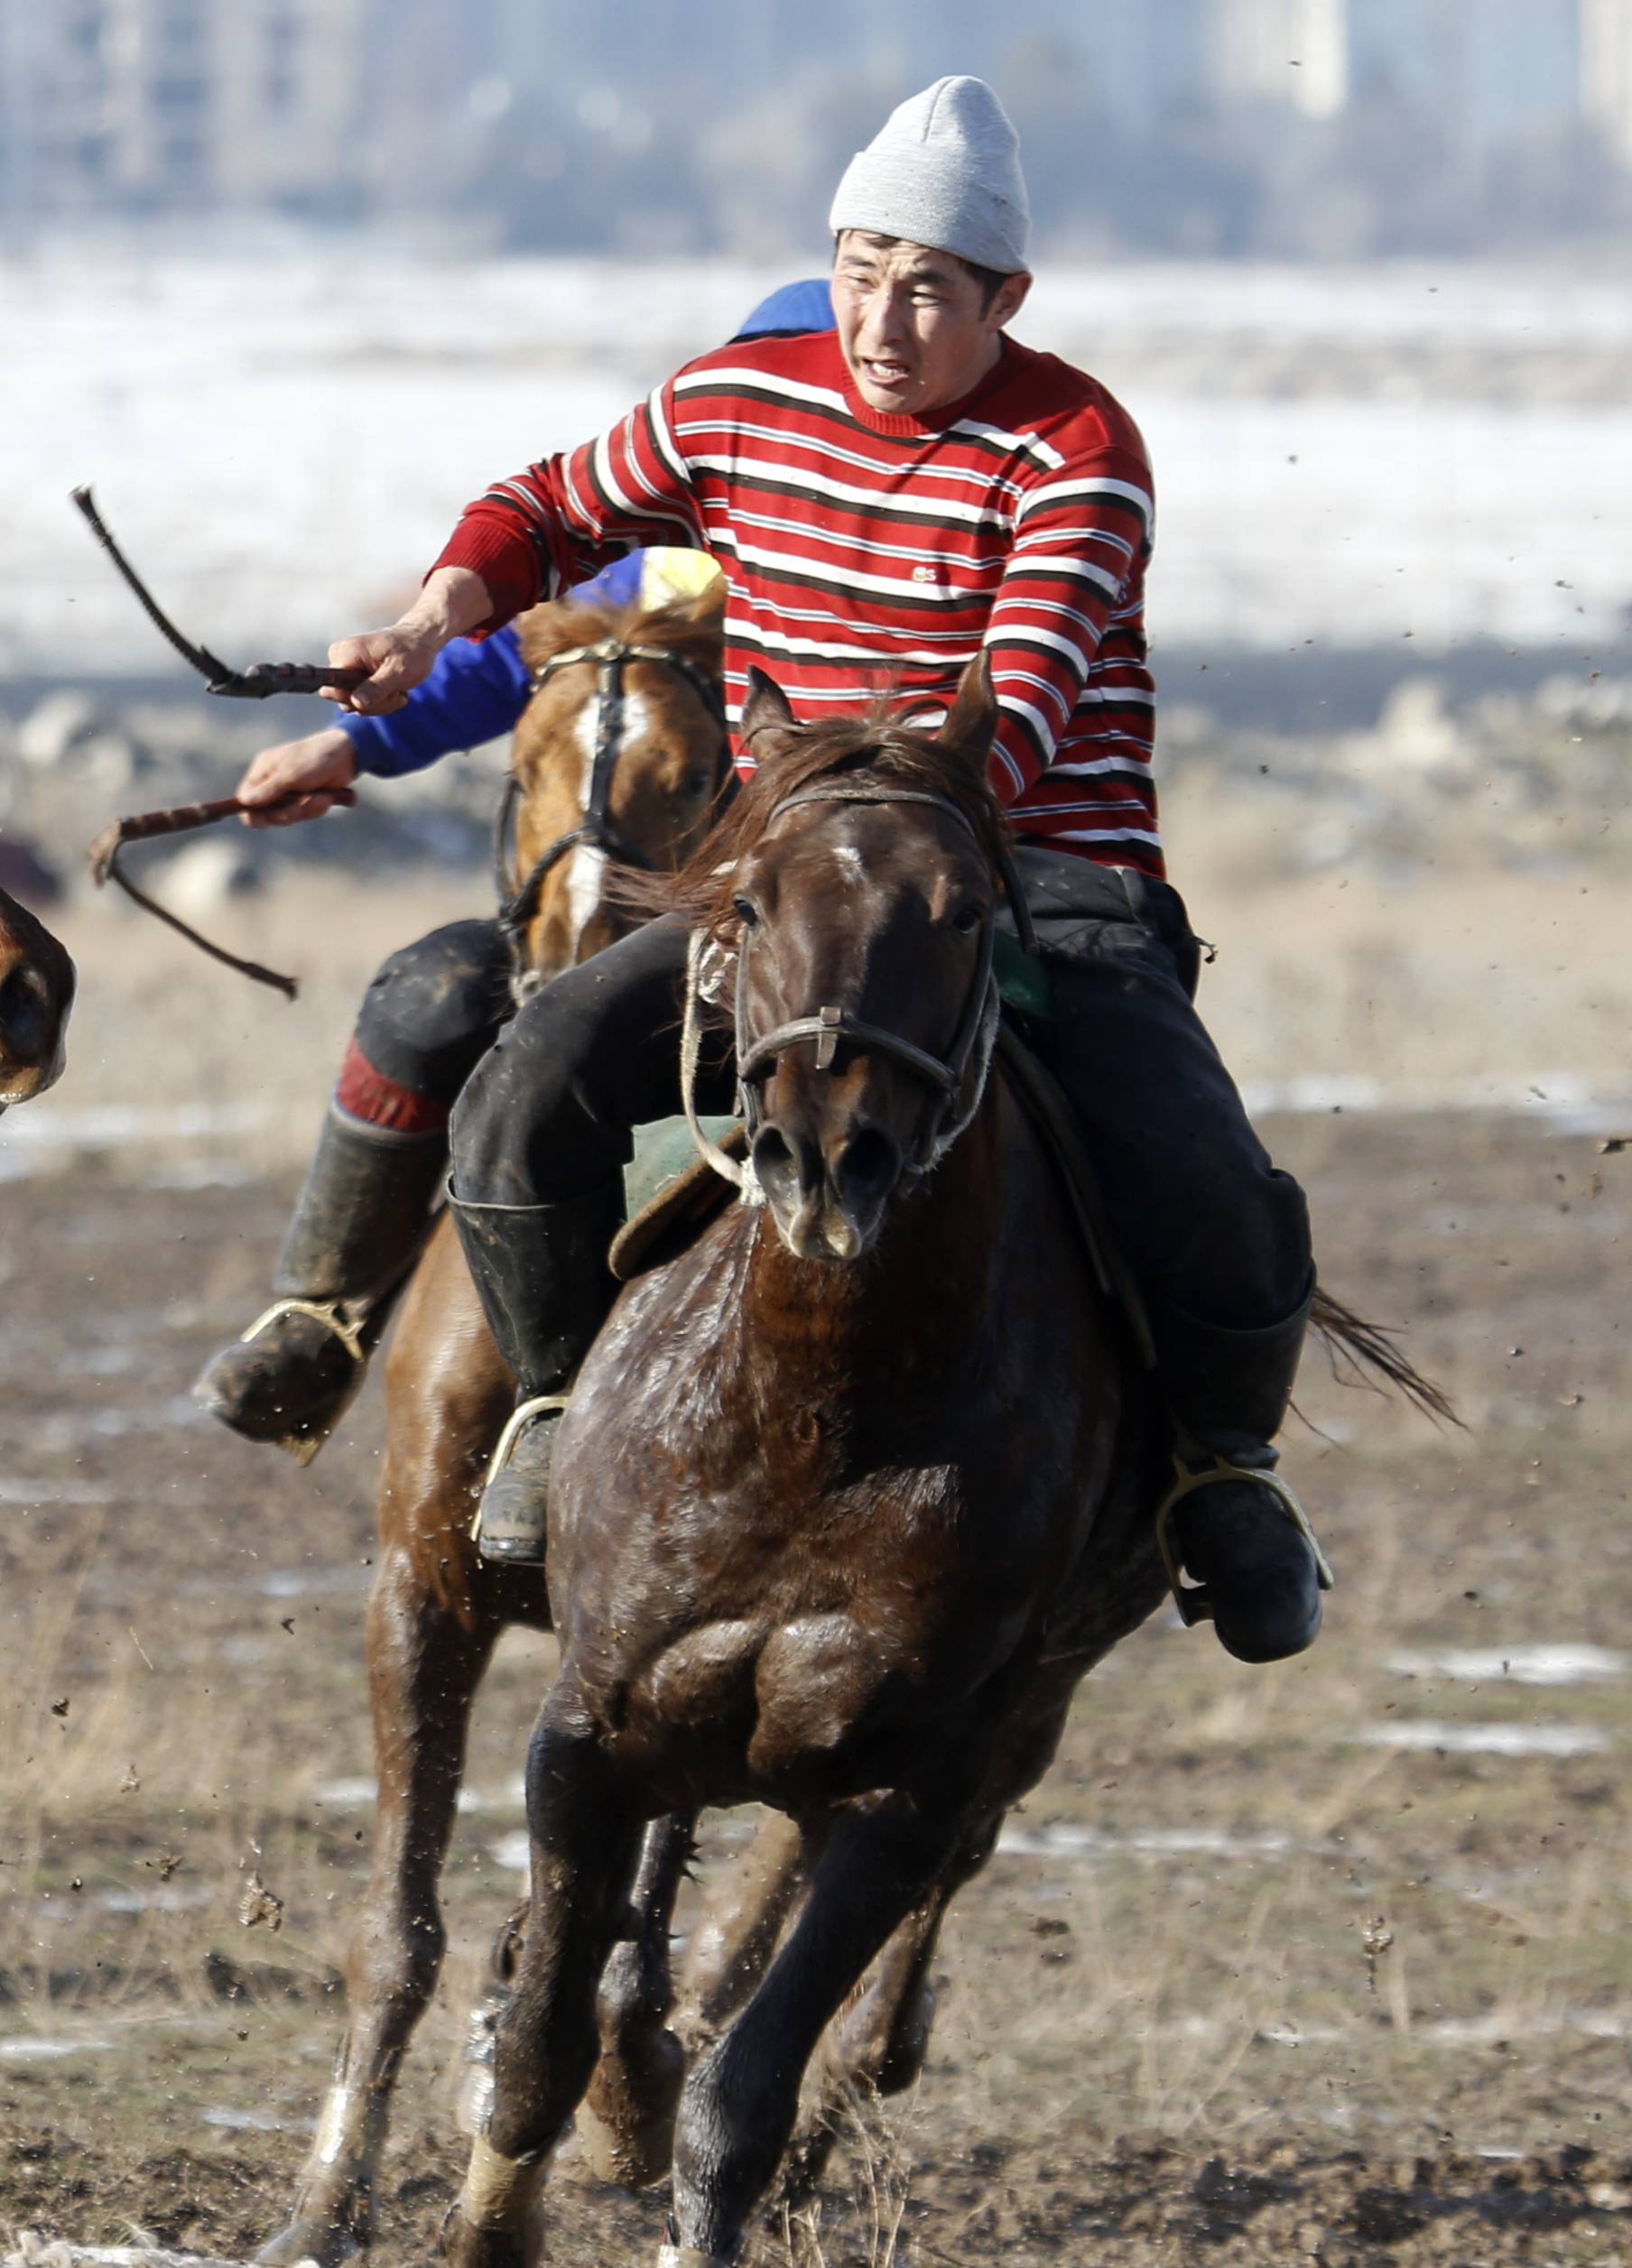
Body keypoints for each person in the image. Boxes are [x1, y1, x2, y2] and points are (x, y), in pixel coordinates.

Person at [274, 77, 1327, 1662]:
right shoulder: (740, 396)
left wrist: (856, 823)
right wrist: (434, 618)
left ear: (1004, 300)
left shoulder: (1078, 446)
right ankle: (557, 1407)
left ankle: (1218, 1476)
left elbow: (1013, 717)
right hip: (788, 878)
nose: (881, 318)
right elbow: (552, 506)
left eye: (926, 288)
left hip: (1037, 869)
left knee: (1212, 1184)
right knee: (522, 1082)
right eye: (857, 267)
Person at [189, 282, 821, 1449]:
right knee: (430, 992)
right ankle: (317, 1322)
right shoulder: (625, 571)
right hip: (582, 926)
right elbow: (481, 675)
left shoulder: (853, 580)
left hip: (784, 947)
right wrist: (344, 743)